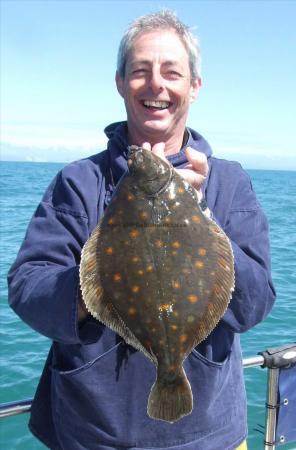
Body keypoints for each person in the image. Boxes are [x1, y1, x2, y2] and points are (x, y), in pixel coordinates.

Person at [8, 10, 275, 450]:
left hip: (209, 436)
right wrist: (96, 289)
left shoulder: (229, 183)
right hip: (91, 432)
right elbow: (26, 288)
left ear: (194, 87)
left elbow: (255, 303)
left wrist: (199, 215)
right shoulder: (78, 183)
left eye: (172, 73)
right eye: (140, 72)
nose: (156, 85)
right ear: (120, 83)